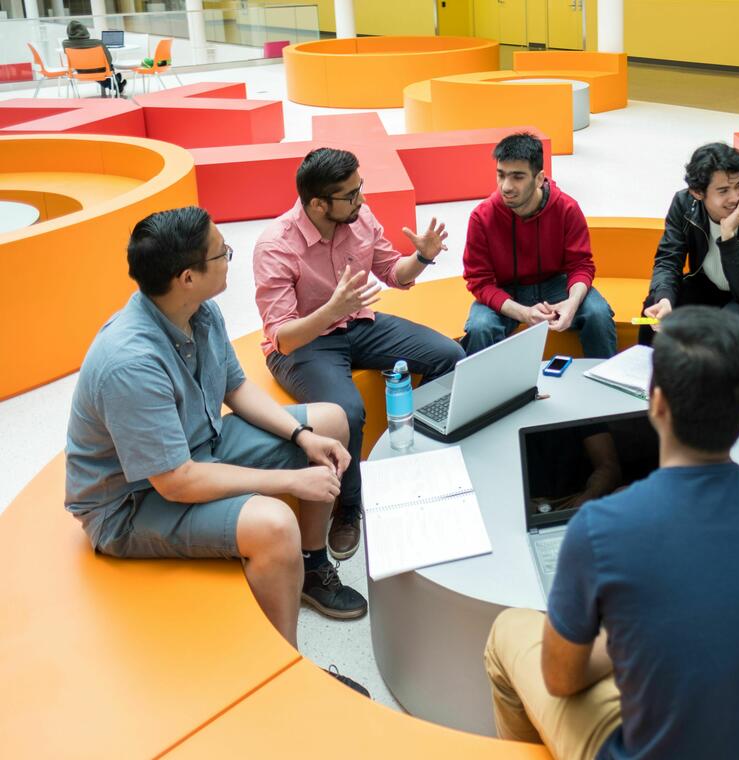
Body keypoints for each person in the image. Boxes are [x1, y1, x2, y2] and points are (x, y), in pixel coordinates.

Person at [484, 306, 739, 759]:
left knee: (508, 630)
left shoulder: (599, 528)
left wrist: (630, 634)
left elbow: (562, 678)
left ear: (655, 403)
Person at [65, 207, 370, 696]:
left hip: (197, 445)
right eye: (221, 253)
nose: (230, 258)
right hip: (134, 501)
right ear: (188, 276)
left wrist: (302, 439)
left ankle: (312, 568)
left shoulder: (197, 308)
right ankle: (286, 678)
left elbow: (236, 387)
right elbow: (177, 481)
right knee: (273, 524)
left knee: (330, 422)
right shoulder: (131, 362)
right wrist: (291, 481)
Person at [253, 148, 465, 560]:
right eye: (350, 195)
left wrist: (421, 257)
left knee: (449, 354)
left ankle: (424, 456)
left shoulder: (359, 219)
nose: (362, 201)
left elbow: (393, 273)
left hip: (357, 324)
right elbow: (282, 338)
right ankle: (348, 507)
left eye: (360, 189)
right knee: (346, 410)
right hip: (305, 343)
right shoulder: (276, 246)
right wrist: (331, 309)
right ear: (317, 203)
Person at [462, 133, 617, 358]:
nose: (506, 186)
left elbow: (581, 266)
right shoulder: (482, 217)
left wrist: (572, 303)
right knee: (480, 327)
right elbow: (479, 281)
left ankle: (605, 387)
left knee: (598, 313)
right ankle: (480, 393)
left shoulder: (567, 208)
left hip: (556, 284)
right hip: (507, 291)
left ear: (538, 178)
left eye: (518, 177)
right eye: (501, 175)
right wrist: (524, 313)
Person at [639, 142, 739, 343]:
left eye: (738, 186)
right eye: (723, 191)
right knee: (652, 313)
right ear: (697, 192)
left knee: (723, 331)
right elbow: (668, 259)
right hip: (708, 284)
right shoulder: (684, 204)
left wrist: (728, 236)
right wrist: (664, 298)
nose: (734, 197)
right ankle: (648, 373)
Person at [61, 20, 126, 96]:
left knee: (95, 71)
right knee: (107, 69)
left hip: (81, 72)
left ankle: (117, 81)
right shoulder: (97, 43)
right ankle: (118, 83)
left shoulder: (65, 44)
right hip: (100, 71)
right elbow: (109, 60)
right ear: (85, 31)